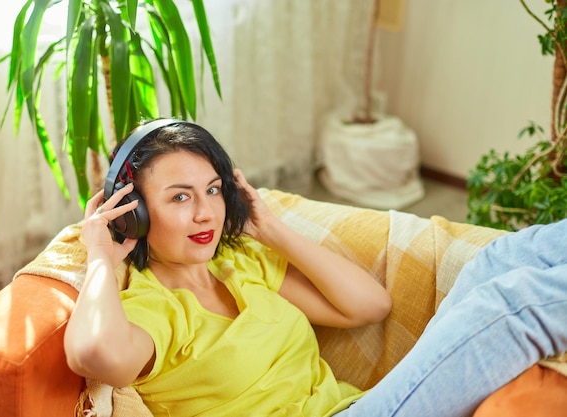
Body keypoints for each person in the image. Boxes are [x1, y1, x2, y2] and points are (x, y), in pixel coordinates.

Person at [64, 119, 567, 417]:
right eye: (179, 197)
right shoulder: (151, 307)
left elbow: (371, 306)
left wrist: (273, 230)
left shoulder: (241, 263)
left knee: (497, 260)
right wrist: (102, 258)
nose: (205, 213)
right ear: (136, 214)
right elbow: (93, 353)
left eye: (214, 190)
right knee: (509, 306)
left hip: (356, 407)